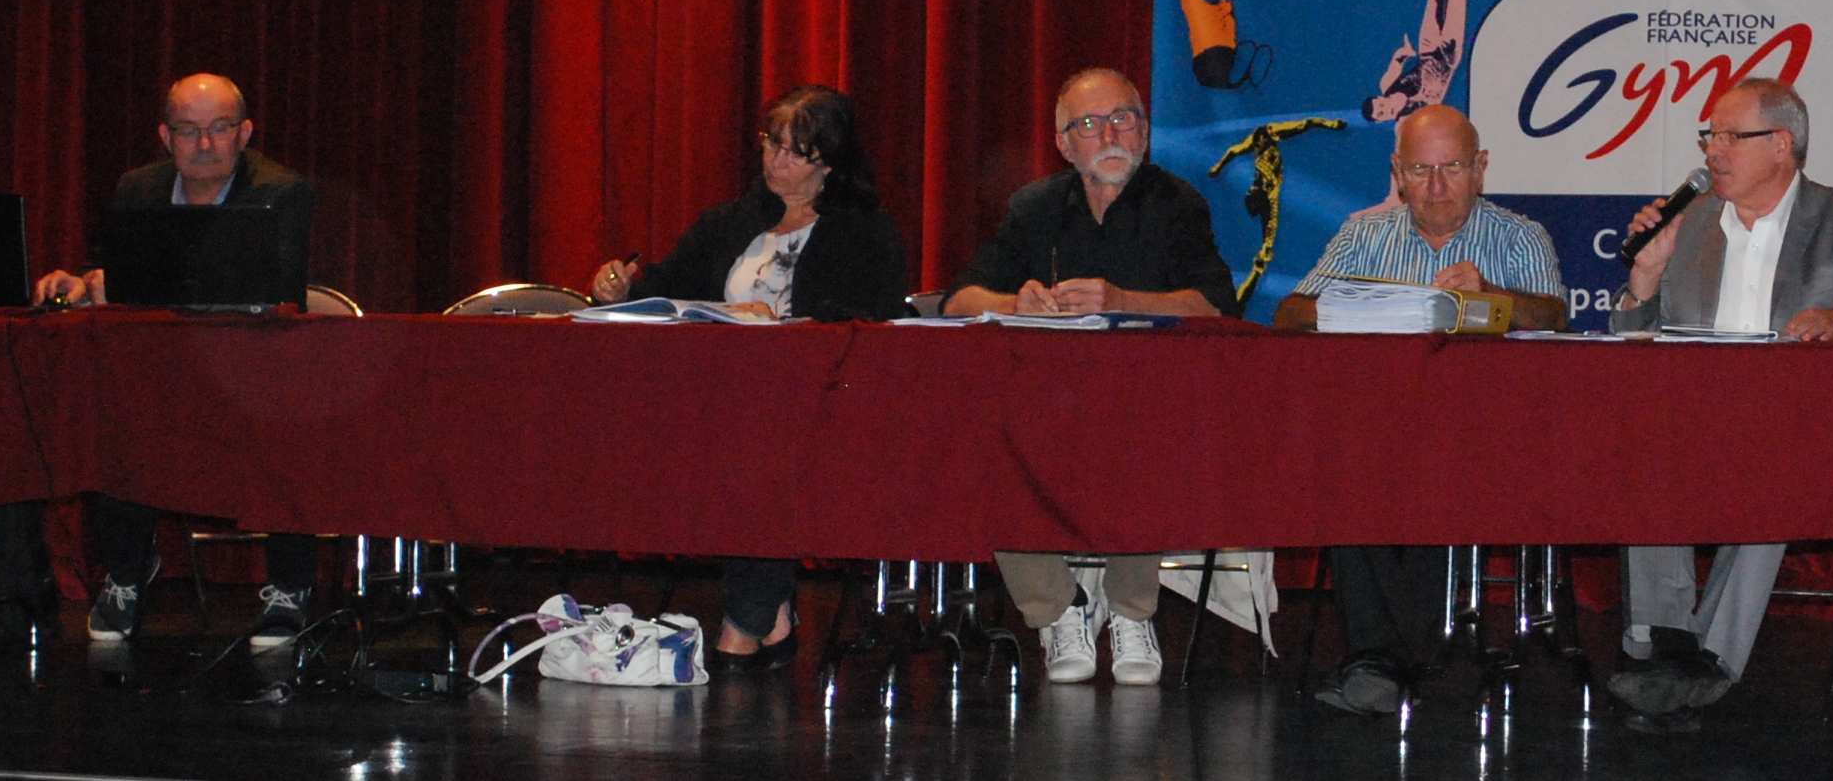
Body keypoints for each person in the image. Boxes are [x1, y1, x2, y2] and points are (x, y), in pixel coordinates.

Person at [1604, 77, 1833, 731]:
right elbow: (1631, 352)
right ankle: (1677, 654)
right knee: (1648, 451)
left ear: (1782, 145)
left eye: (1731, 136)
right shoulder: (1688, 222)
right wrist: (1645, 279)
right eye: (1709, 135)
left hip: (1796, 421)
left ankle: (1686, 659)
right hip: (1691, 418)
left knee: (1776, 481)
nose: (1714, 149)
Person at [588, 84, 908, 672]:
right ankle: (772, 616)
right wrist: (622, 285)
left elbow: (877, 315)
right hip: (725, 397)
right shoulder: (731, 221)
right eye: (770, 145)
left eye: (794, 151)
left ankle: (746, 622)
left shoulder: (865, 229)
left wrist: (789, 322)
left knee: (755, 453)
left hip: (824, 402)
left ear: (829, 163)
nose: (775, 161)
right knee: (735, 444)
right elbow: (669, 283)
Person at [943, 68, 1237, 685]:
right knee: (984, 438)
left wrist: (1122, 298)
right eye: (1087, 124)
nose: (1107, 134)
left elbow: (1216, 305)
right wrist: (1010, 303)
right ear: (1063, 143)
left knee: (1148, 432)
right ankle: (1059, 608)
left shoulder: (1178, 203)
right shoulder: (1034, 208)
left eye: (1121, 119)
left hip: (1147, 398)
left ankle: (1132, 613)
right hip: (1046, 401)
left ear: (1145, 130)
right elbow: (955, 300)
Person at [1272, 104, 1567, 715]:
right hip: (1376, 426)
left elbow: (1556, 319)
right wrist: (1376, 304)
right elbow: (1291, 314)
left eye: (1452, 169)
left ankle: (1390, 658)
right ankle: (1382, 657)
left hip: (1482, 433)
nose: (1435, 187)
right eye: (1421, 170)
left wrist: (1492, 297)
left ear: (1480, 168)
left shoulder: (1519, 236)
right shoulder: (1364, 235)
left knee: (1432, 470)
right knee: (1345, 464)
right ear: (1397, 173)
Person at [32, 73, 321, 648]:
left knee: (297, 423)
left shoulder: (280, 190)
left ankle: (290, 587)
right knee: (111, 415)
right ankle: (125, 576)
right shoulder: (137, 189)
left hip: (250, 373)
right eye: (189, 131)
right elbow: (108, 271)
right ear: (165, 136)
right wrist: (78, 280)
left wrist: (130, 286)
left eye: (219, 130)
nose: (205, 145)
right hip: (158, 374)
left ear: (245, 134)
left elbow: (275, 287)